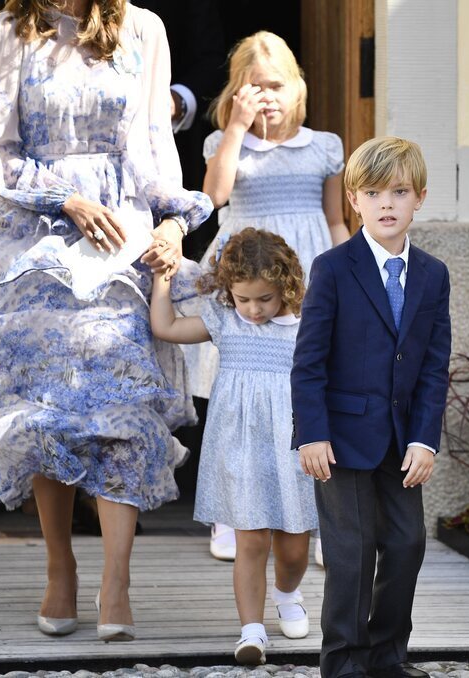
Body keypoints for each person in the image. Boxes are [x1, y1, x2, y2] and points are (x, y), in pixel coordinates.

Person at [0, 0, 212, 641]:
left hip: (121, 236)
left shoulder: (144, 27)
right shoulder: (8, 29)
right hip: (36, 238)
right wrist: (64, 198)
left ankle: (116, 579)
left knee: (121, 408)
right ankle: (60, 568)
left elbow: (153, 143)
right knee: (44, 407)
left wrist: (171, 217)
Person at [291, 137, 452, 678]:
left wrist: (425, 438)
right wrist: (310, 432)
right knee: (351, 553)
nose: (387, 203)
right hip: (339, 438)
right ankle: (343, 663)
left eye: (399, 192)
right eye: (374, 192)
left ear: (419, 198)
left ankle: (387, 657)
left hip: (403, 440)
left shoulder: (432, 275)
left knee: (407, 544)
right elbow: (309, 361)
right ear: (354, 200)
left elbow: (432, 365)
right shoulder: (333, 268)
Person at [190, 29, 348, 561]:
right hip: (244, 272)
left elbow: (334, 219)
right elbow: (214, 197)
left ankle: (312, 519)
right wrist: (236, 127)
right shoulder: (224, 144)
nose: (268, 97)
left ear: (297, 87)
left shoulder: (323, 146)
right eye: (255, 87)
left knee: (307, 386)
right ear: (238, 91)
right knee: (236, 384)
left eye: (277, 85)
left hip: (301, 275)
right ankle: (232, 513)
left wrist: (350, 275)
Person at [150, 227, 316, 665]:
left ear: (285, 287)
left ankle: (287, 591)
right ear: (230, 291)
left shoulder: (304, 324)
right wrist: (162, 279)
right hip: (239, 444)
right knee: (251, 541)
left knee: (295, 545)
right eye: (244, 299)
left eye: (264, 299)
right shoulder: (223, 318)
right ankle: (252, 631)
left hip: (291, 442)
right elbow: (164, 327)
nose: (254, 309)